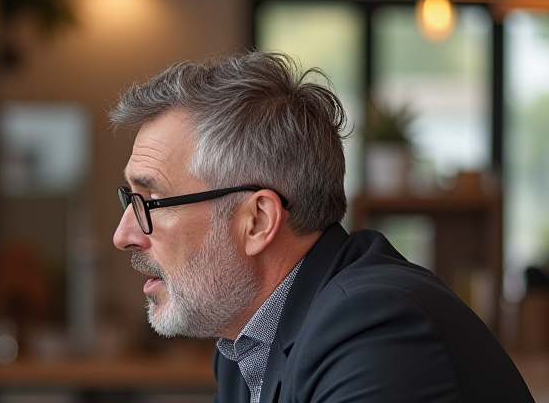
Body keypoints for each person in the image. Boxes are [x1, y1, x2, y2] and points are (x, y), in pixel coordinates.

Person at [109, 52, 534, 403]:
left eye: (151, 202)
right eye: (130, 200)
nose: (123, 234)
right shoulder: (243, 347)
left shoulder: (373, 328)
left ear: (257, 221)